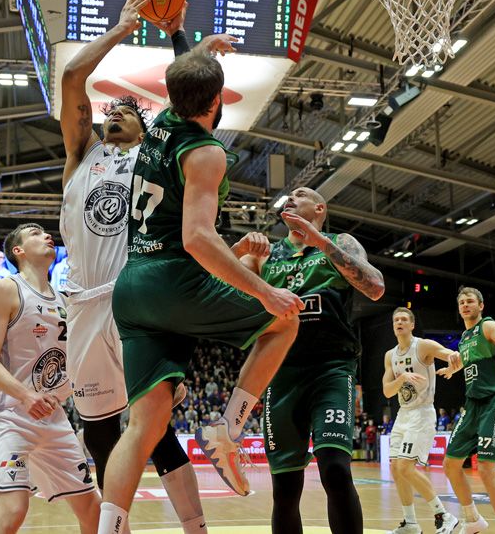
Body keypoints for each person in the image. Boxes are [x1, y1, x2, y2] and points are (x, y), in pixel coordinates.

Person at [96, 29, 306, 533]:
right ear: (216, 100)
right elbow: (196, 239)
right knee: (283, 321)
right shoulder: (206, 152)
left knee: (143, 427)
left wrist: (189, 42)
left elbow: (183, 82)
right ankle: (227, 431)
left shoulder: (162, 121)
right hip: (173, 280)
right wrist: (265, 291)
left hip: (131, 288)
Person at [60, 0, 235, 534]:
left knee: (154, 424)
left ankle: (194, 526)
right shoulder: (79, 155)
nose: (114, 112)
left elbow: (190, 107)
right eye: (108, 110)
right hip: (86, 306)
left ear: (145, 127)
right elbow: (71, 82)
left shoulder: (154, 154)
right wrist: (120, 29)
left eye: (126, 110)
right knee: (106, 437)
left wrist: (193, 50)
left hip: (137, 296)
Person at [240, 186, 385, 534]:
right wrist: (240, 251)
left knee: (335, 467)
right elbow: (221, 292)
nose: (290, 198)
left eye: (300, 194)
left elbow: (375, 286)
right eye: (287, 195)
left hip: (331, 368)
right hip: (280, 373)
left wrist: (320, 242)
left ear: (319, 207)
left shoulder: (341, 243)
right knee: (285, 488)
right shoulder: (267, 255)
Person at [0, 223, 99, 534]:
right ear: (18, 251)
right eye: (34, 233)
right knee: (14, 511)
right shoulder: (4, 290)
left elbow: (78, 362)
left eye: (47, 232)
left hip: (52, 415)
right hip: (8, 416)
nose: (46, 235)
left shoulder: (66, 300)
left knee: (95, 512)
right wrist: (26, 396)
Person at [439, 287, 495, 534]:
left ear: (481, 305)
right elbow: (471, 361)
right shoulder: (465, 337)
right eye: (462, 302)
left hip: (493, 401)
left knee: (486, 470)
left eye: (470, 301)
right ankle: (473, 518)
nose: (465, 305)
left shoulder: (487, 326)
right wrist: (454, 370)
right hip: (473, 404)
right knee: (450, 463)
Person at [382, 307, 460, 533]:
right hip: (402, 415)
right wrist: (403, 378)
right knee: (396, 469)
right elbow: (387, 391)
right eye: (396, 319)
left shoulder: (422, 346)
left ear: (412, 325)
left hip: (422, 413)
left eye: (404, 319)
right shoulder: (390, 355)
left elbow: (447, 353)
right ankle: (411, 523)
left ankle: (443, 515)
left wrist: (453, 358)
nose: (399, 322)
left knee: (406, 467)